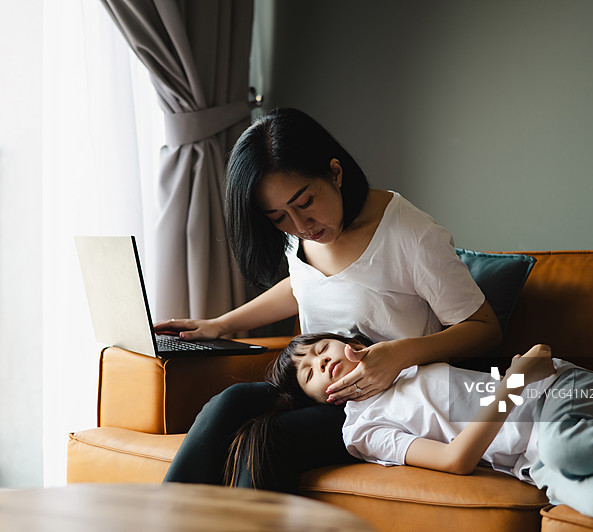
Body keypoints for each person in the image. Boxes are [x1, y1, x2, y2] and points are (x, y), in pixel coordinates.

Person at [154, 108, 502, 491]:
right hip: (319, 388)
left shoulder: (410, 235)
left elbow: (485, 329)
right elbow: (302, 284)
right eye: (278, 217)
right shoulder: (300, 232)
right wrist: (221, 324)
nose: (300, 226)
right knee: (230, 403)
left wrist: (400, 354)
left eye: (305, 203)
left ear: (335, 173)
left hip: (382, 401)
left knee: (270, 438)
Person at [244, 332, 593, 531]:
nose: (319, 362)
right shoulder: (363, 429)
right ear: (321, 401)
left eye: (321, 349)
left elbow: (519, 351)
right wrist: (512, 382)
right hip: (534, 461)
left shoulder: (399, 359)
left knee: (564, 446)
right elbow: (456, 460)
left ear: (347, 342)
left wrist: (523, 378)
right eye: (308, 373)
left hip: (558, 393)